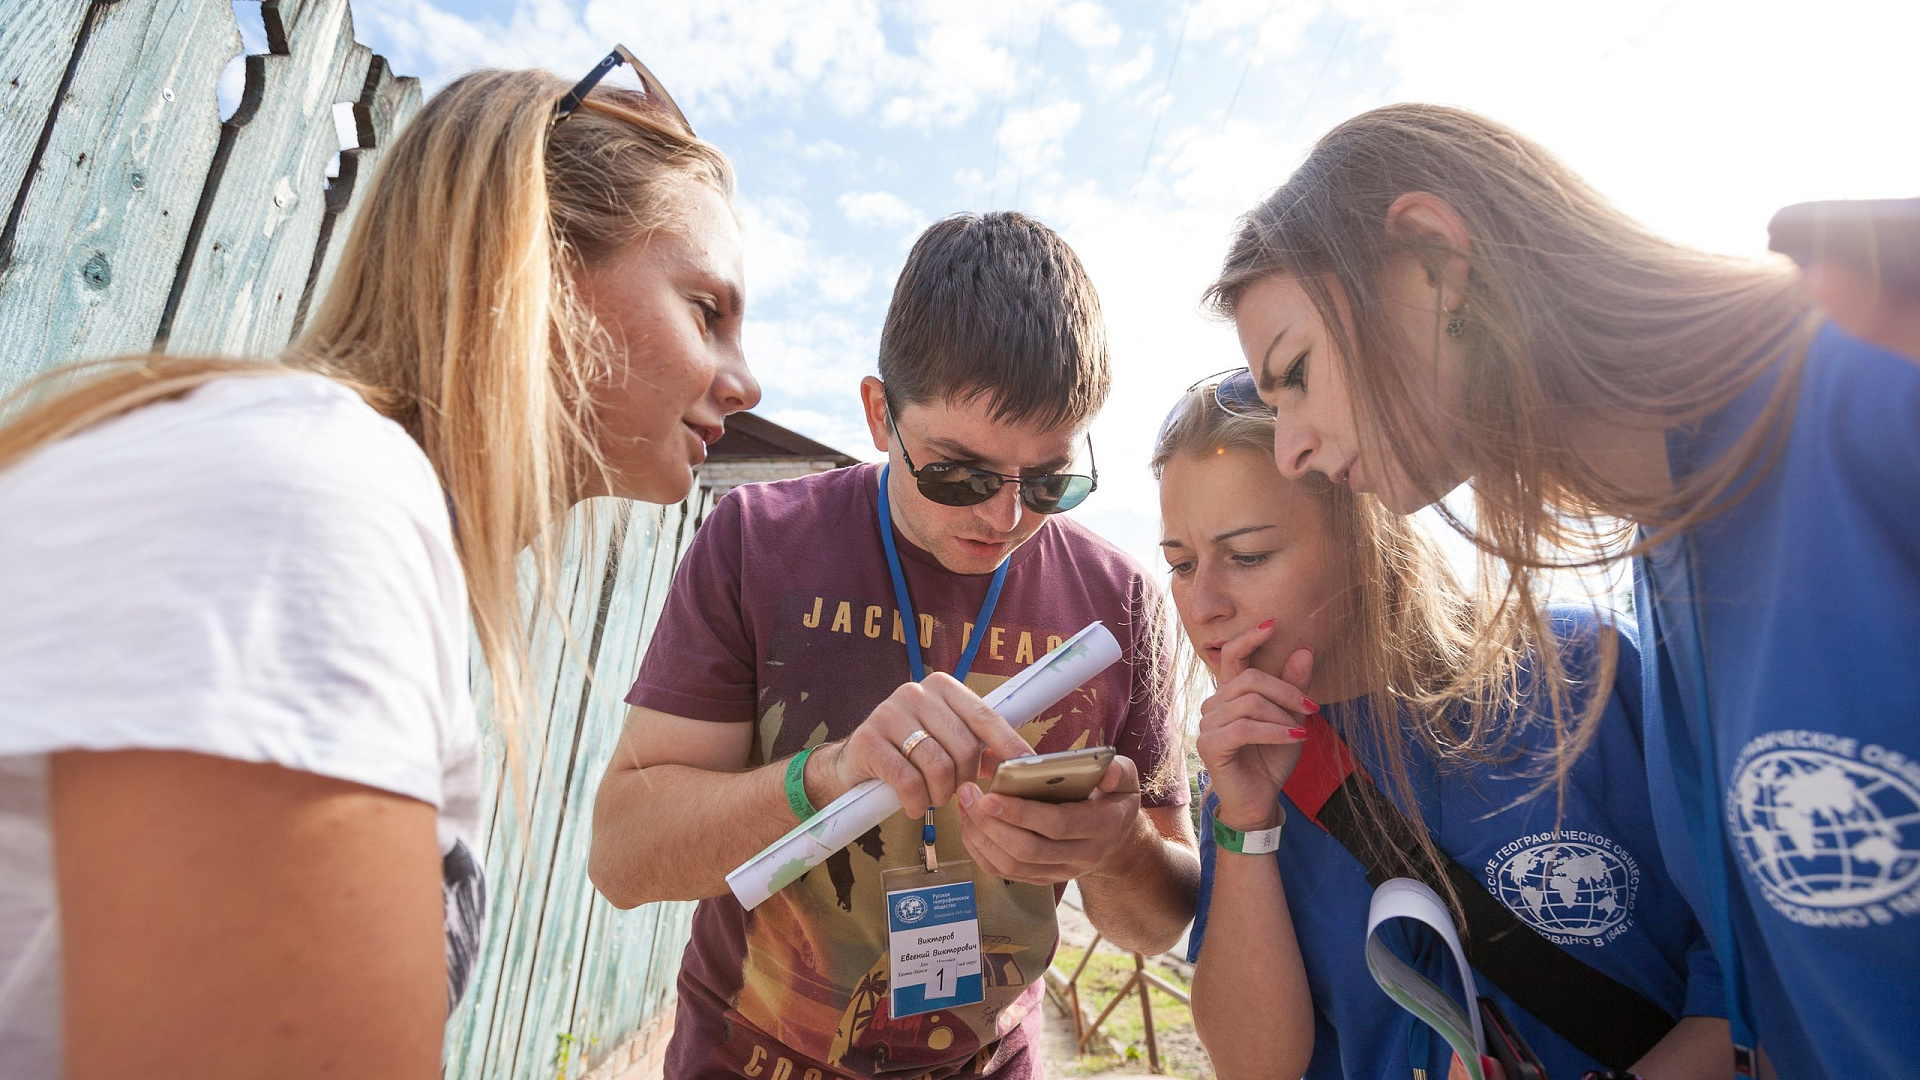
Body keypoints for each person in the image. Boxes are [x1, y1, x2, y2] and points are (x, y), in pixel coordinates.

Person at [0, 57, 757, 1080]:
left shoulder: (349, 499)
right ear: (533, 256)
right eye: (706, 309)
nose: (745, 379)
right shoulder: (315, 506)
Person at [1208, 103, 1920, 1080]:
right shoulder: (1669, 562)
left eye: (1295, 373)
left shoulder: (1874, 385)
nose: (1289, 445)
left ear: (1434, 260)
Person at [588, 211, 1197, 1079]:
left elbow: (1159, 923)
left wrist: (1117, 849)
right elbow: (624, 857)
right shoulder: (758, 542)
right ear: (880, 416)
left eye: (1052, 479)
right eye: (959, 472)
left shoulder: (1119, 602)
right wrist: (827, 777)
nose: (1005, 516)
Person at [1159, 381, 1728, 1080]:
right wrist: (1246, 822)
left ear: (1362, 533)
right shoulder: (1245, 774)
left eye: (1245, 555)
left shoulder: (1582, 673)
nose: (1204, 604)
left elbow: (1758, 970)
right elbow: (1255, 1067)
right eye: (1181, 565)